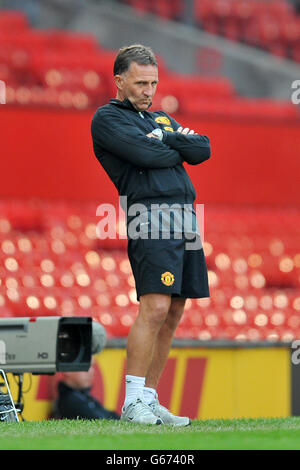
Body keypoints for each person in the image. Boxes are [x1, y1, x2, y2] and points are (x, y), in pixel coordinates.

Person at [91, 44, 211, 425]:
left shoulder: (161, 119)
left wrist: (166, 140)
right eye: (141, 82)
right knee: (155, 305)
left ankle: (149, 397)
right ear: (120, 80)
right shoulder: (107, 119)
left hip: (187, 215)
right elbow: (147, 157)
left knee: (175, 309)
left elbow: (204, 148)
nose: (149, 90)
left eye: (154, 82)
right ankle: (131, 402)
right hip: (151, 214)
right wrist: (175, 144)